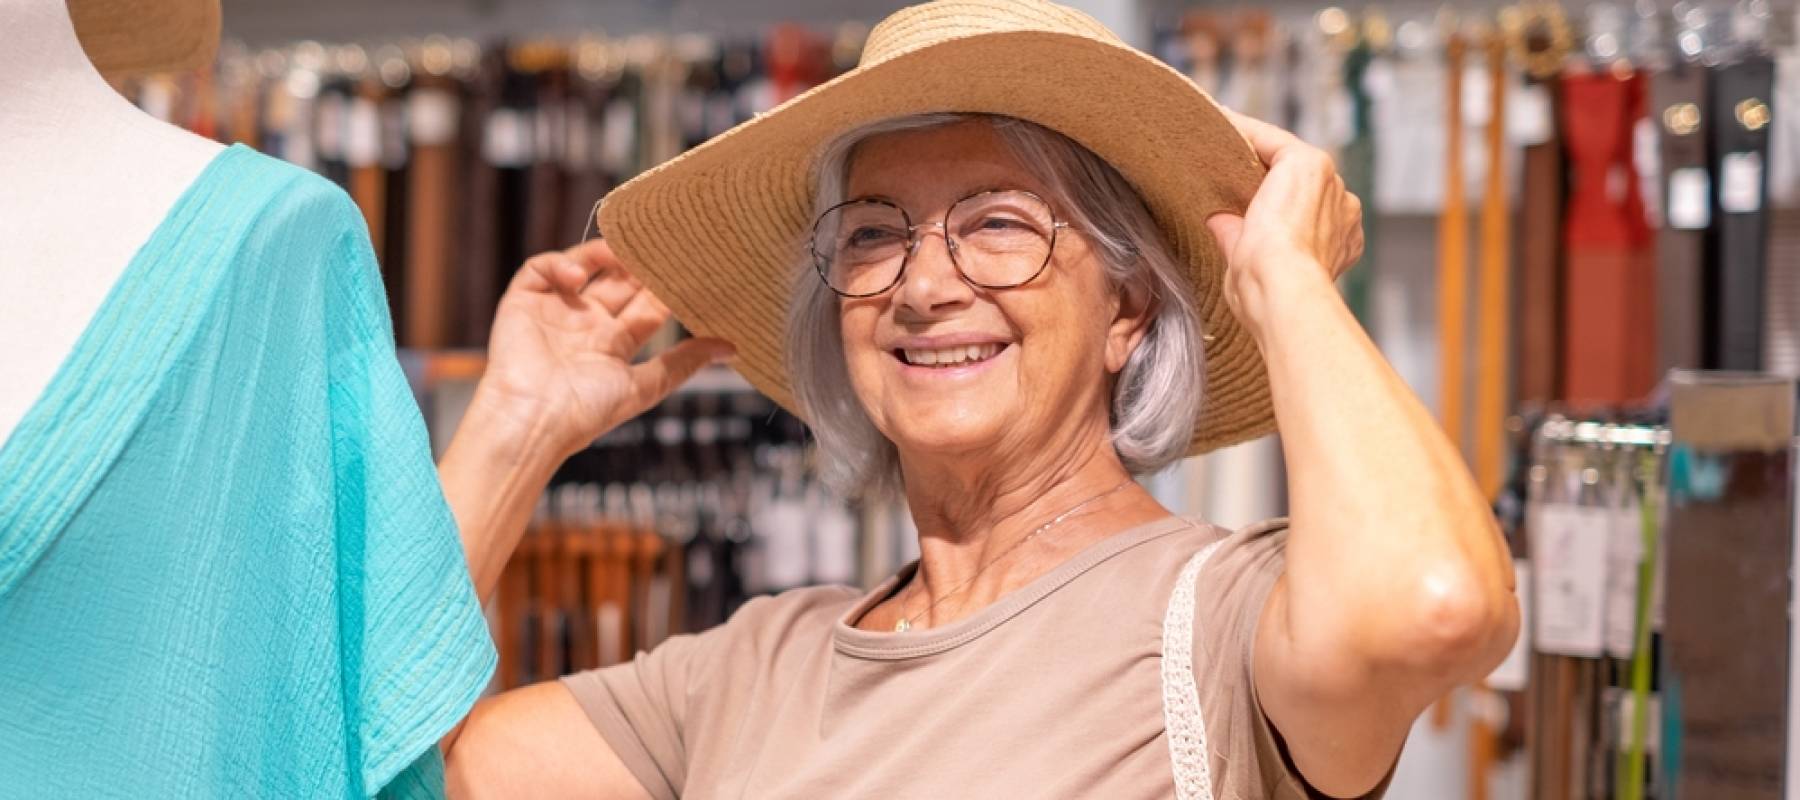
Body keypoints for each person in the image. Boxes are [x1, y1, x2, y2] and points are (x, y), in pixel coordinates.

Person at [434, 1, 1519, 797]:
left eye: (1000, 222)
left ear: (1129, 307)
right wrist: (516, 430)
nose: (923, 282)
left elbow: (1435, 602)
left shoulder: (1226, 620)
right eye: (872, 234)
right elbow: (388, 763)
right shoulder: (750, 666)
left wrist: (1286, 278)